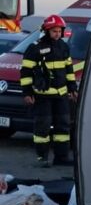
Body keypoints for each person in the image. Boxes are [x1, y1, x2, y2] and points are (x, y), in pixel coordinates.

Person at [19, 15, 77, 167]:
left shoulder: (64, 47)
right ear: (46, 31)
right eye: (54, 31)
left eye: (59, 31)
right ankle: (42, 158)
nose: (58, 34)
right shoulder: (35, 48)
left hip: (61, 96)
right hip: (42, 96)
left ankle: (61, 157)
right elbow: (26, 72)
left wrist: (72, 88)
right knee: (43, 127)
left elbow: (69, 70)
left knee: (63, 127)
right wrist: (27, 93)